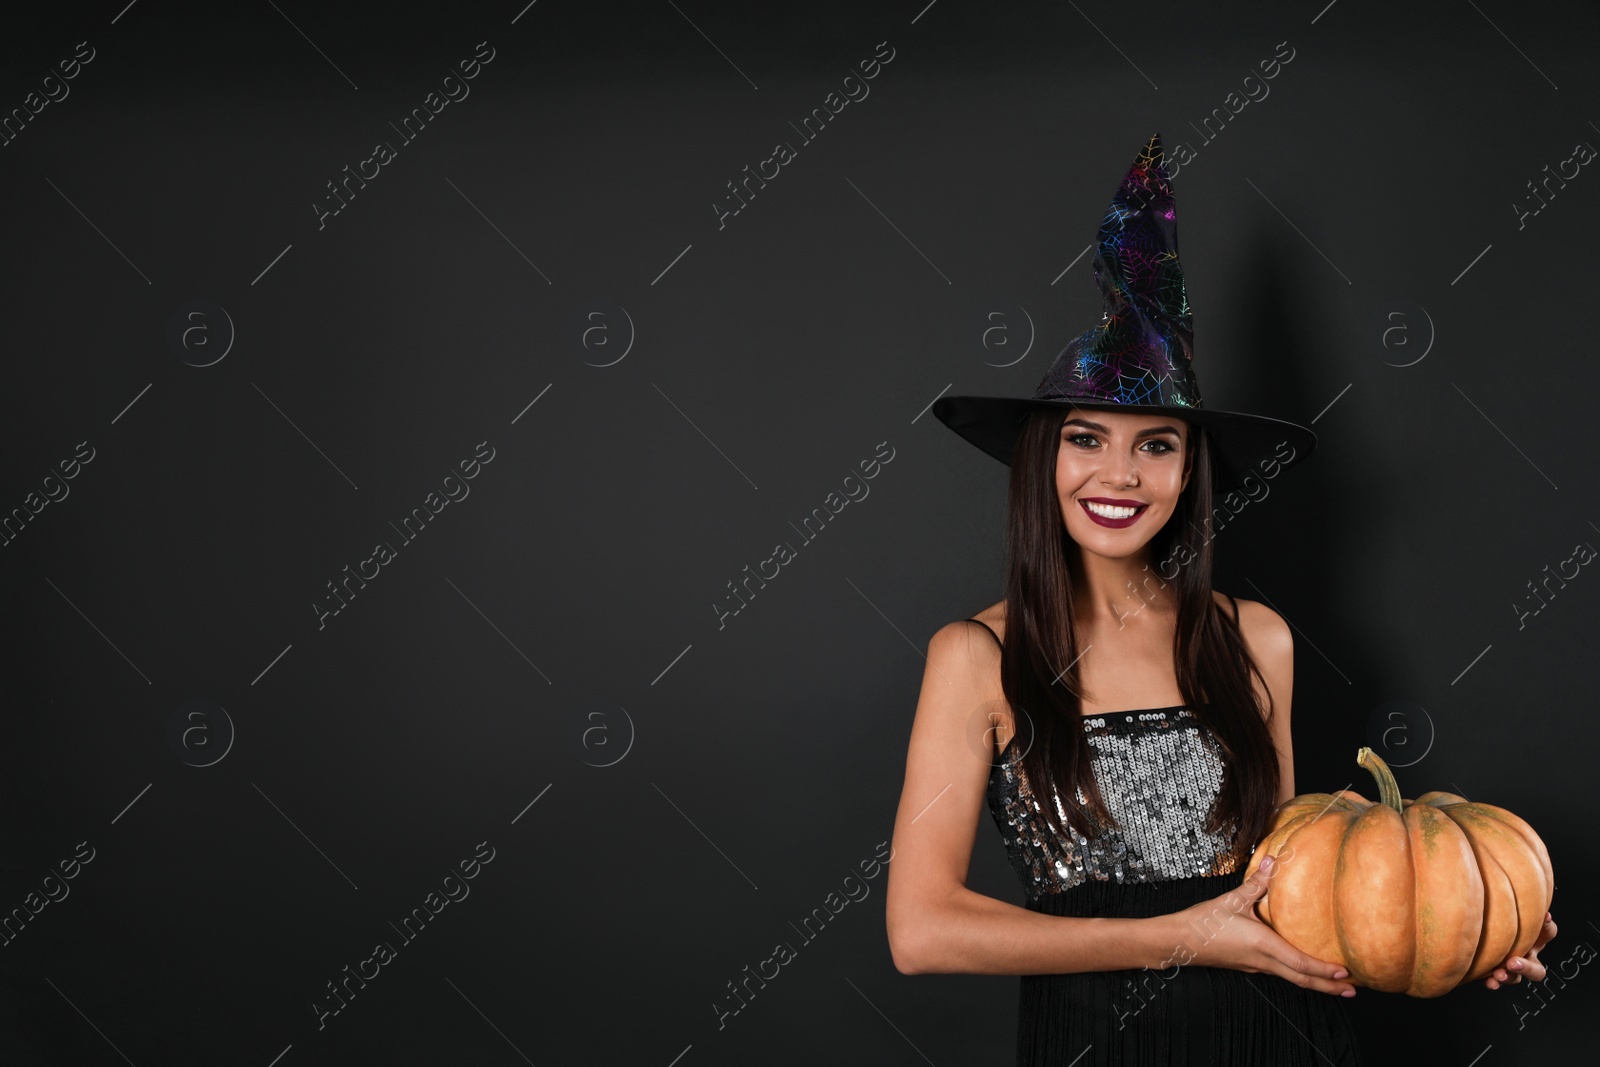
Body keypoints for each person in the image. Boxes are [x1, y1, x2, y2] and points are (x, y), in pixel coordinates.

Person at [883, 134, 1555, 1065]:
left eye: (1156, 444)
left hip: (1278, 1035)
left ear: (1191, 468)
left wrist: (1464, 924)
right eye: (1087, 437)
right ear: (1044, 458)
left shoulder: (1255, 638)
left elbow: (1290, 885)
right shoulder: (974, 657)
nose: (1118, 473)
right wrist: (1180, 937)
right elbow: (921, 931)